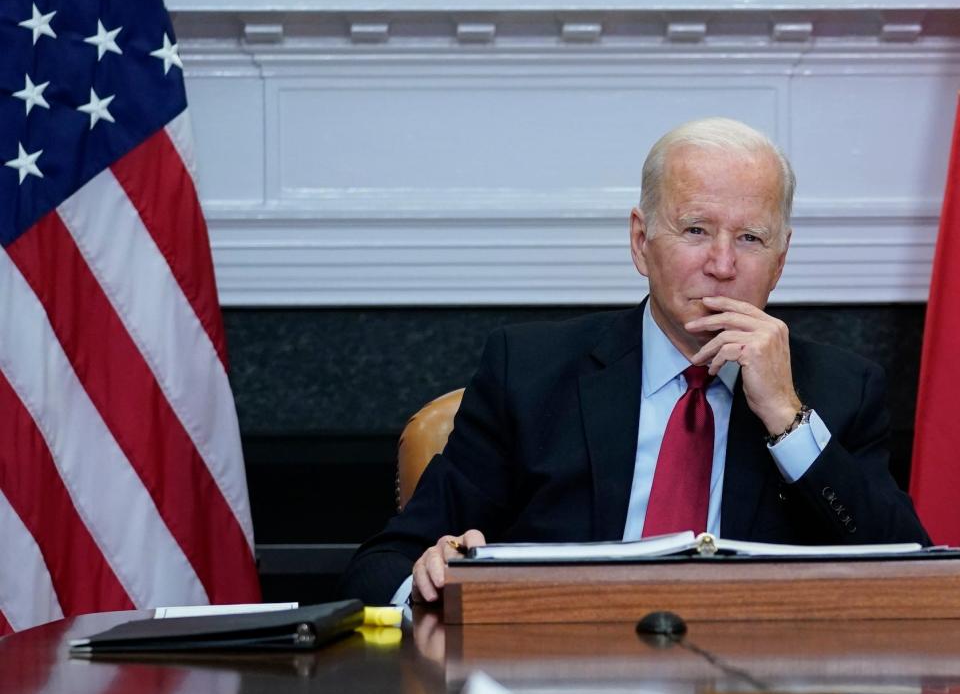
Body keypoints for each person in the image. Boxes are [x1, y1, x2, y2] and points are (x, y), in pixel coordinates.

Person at [340, 117, 931, 605]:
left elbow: (915, 584)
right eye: (696, 229)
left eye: (750, 238)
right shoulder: (529, 372)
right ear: (639, 241)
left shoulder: (840, 390)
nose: (722, 264)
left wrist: (786, 417)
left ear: (780, 261)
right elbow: (381, 566)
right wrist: (425, 585)